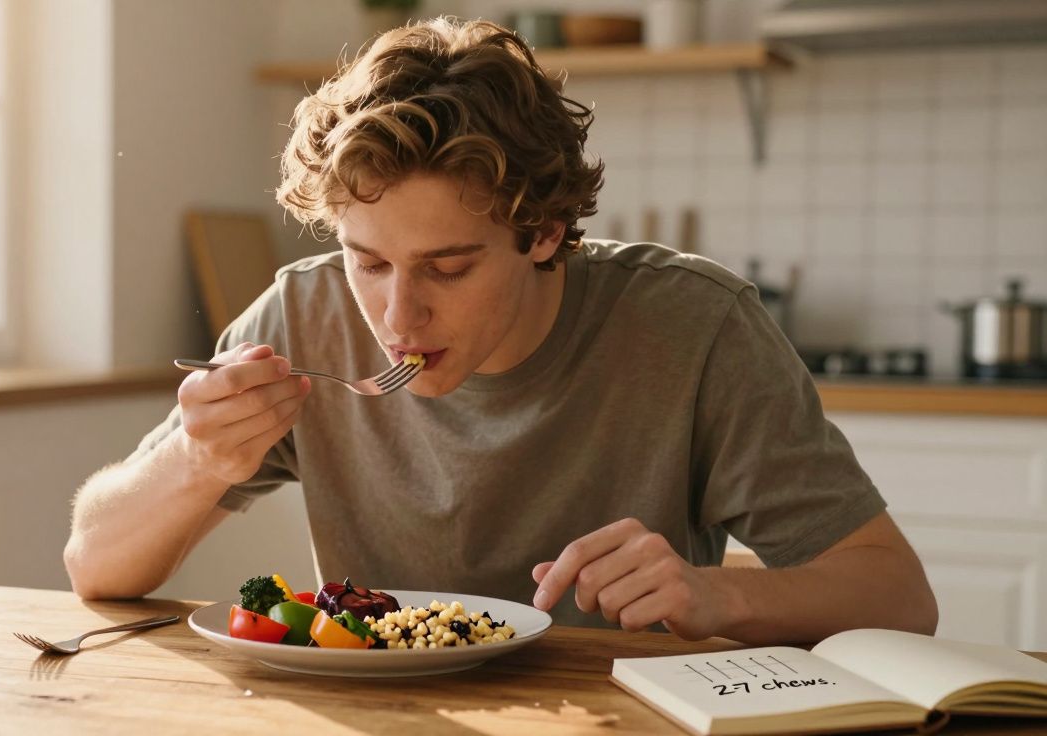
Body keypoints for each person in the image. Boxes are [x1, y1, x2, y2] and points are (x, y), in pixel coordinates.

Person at [65, 17, 937, 644]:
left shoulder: (696, 327)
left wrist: (714, 597)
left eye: (448, 267)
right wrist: (195, 463)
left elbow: (900, 597)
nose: (398, 318)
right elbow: (94, 566)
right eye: (368, 262)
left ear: (546, 233)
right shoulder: (304, 313)